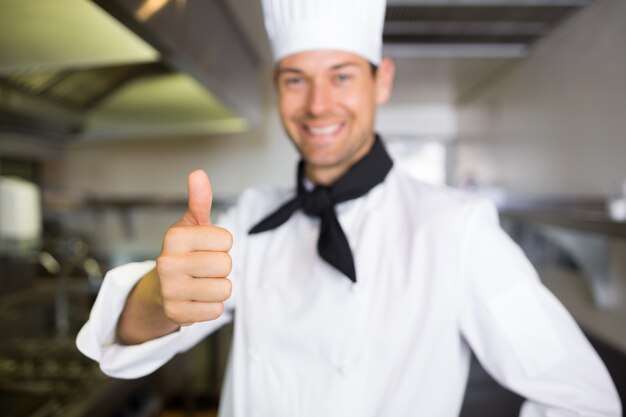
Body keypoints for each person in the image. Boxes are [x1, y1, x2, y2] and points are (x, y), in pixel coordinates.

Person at [77, 0, 621, 415]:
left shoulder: (456, 229)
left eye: (341, 76)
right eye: (297, 80)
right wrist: (156, 296)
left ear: (380, 81)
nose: (318, 105)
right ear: (277, 87)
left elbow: (582, 398)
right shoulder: (249, 220)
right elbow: (130, 336)